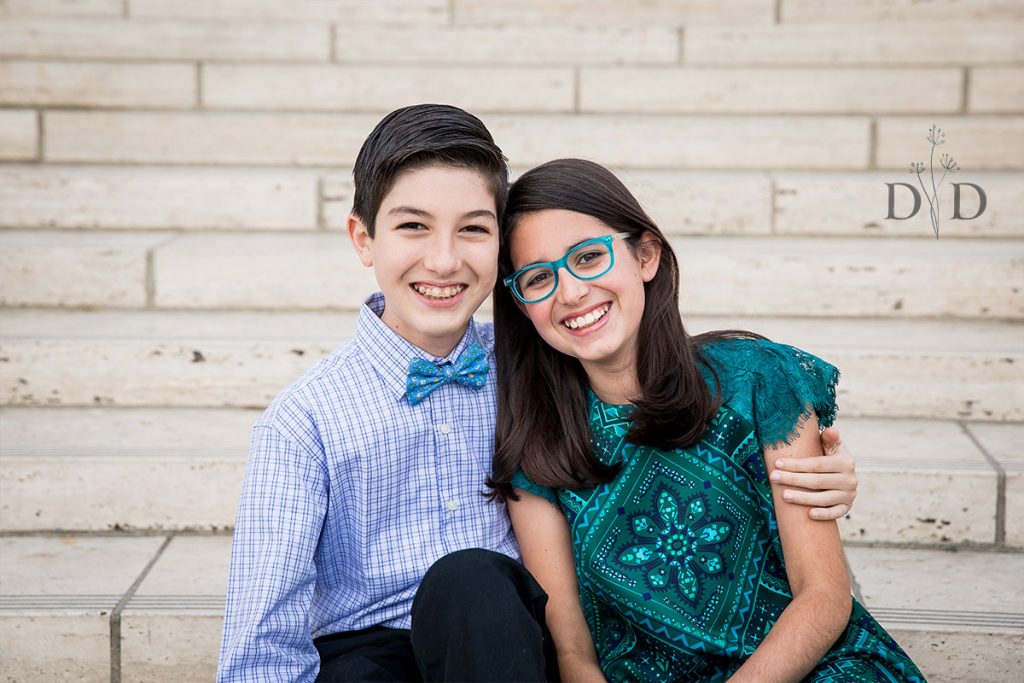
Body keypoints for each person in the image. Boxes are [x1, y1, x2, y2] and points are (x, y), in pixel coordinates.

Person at [218, 105, 861, 683]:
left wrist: (818, 473)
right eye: (413, 227)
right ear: (364, 239)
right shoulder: (305, 419)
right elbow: (263, 621)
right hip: (369, 654)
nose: (443, 261)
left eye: (472, 230)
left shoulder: (541, 371)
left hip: (507, 635)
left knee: (471, 582)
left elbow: (663, 390)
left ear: (499, 255)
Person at [489, 158, 924, 682]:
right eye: (538, 278)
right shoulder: (539, 446)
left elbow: (825, 597)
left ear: (645, 256)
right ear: (520, 304)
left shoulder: (757, 380)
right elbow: (575, 655)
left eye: (587, 258)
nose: (571, 292)